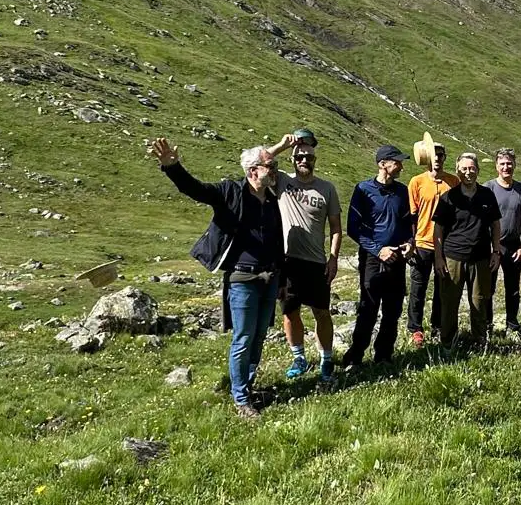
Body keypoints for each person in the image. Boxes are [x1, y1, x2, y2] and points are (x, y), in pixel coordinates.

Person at [149, 137, 282, 419]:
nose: (275, 170)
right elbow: (196, 190)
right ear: (253, 170)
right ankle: (241, 400)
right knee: (244, 338)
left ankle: (248, 385)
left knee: (259, 337)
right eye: (271, 165)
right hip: (242, 279)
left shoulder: (271, 200)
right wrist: (172, 167)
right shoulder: (230, 192)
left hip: (270, 278)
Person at [265, 129, 343, 384]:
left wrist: (333, 258)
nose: (304, 161)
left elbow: (336, 228)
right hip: (288, 261)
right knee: (290, 312)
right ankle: (299, 357)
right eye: (299, 157)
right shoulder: (282, 182)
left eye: (308, 157)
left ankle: (326, 359)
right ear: (292, 160)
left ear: (314, 160)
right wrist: (282, 145)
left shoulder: (326, 189)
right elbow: (259, 162)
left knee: (321, 312)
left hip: (316, 262)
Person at [341, 145, 415, 370]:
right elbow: (353, 227)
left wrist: (409, 244)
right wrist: (377, 249)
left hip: (397, 257)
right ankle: (354, 357)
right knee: (368, 307)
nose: (401, 166)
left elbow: (407, 223)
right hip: (373, 258)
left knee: (393, 309)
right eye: (397, 162)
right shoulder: (363, 189)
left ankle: (384, 356)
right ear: (383, 164)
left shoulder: (402, 191)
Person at [432, 152, 503, 346]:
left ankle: (479, 341)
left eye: (472, 168)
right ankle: (448, 342)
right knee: (449, 302)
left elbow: (496, 224)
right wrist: (438, 258)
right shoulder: (449, 197)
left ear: (478, 170)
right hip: (453, 256)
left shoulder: (487, 194)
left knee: (480, 301)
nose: (468, 172)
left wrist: (496, 252)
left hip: (481, 257)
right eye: (464, 169)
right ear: (458, 172)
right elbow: (438, 228)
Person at [406, 142, 457, 347]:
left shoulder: (453, 181)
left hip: (446, 245)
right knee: (418, 288)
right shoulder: (416, 182)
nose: (438, 158)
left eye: (441, 155)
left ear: (445, 158)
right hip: (422, 243)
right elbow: (412, 214)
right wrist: (412, 242)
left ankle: (438, 325)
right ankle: (415, 328)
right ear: (428, 158)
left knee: (441, 288)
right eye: (434, 155)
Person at [484, 148, 521, 332]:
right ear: (496, 166)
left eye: (509, 163)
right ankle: (487, 325)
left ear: (514, 165)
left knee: (513, 288)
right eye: (502, 164)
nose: (506, 167)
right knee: (489, 287)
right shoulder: (488, 188)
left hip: (514, 245)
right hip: (492, 246)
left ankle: (512, 324)